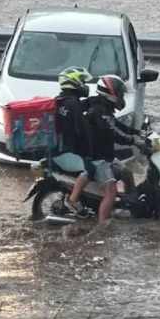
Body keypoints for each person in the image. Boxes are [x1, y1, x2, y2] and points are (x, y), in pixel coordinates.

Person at [69, 74, 149, 224]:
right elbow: (113, 133)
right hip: (98, 158)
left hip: (105, 155)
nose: (121, 96)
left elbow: (117, 125)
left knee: (126, 173)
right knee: (111, 191)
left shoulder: (104, 108)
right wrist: (134, 141)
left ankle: (129, 206)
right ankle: (103, 224)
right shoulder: (98, 111)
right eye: (119, 92)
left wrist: (137, 132)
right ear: (110, 92)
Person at [52, 66, 95, 217]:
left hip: (56, 150)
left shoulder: (60, 100)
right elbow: (82, 131)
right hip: (66, 153)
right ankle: (73, 201)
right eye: (83, 82)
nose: (85, 86)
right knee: (91, 169)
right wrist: (90, 151)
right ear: (74, 83)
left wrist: (90, 103)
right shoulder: (73, 104)